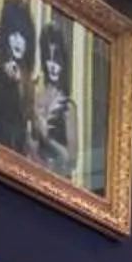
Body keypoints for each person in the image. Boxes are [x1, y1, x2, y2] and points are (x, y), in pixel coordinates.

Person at [0, 0, 36, 160]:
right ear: (6, 36)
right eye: (13, 34)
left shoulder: (29, 82)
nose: (18, 41)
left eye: (22, 36)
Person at [31, 22, 76, 178]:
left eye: (57, 59)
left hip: (59, 186)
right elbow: (29, 147)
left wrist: (47, 138)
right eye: (48, 59)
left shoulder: (68, 107)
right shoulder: (36, 98)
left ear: (63, 62)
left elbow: (71, 161)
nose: (53, 66)